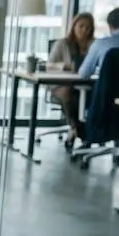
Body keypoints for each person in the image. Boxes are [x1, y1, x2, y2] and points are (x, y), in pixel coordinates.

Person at [46, 12, 96, 143]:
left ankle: (81, 129)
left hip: (86, 84)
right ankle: (77, 128)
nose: (84, 30)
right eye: (81, 26)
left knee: (97, 94)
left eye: (88, 28)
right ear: (74, 26)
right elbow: (49, 64)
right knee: (68, 92)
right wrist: (64, 66)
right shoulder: (62, 43)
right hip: (61, 85)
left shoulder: (94, 45)